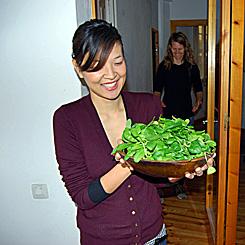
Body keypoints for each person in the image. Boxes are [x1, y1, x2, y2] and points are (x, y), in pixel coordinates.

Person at [53, 19, 212, 245]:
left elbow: (155, 180)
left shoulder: (147, 106)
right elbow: (83, 197)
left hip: (155, 236)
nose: (111, 75)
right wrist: (130, 161)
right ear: (77, 68)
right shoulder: (67, 119)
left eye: (117, 62)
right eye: (97, 65)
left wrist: (175, 172)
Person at [154, 32, 203, 200]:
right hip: (168, 115)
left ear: (185, 48)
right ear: (170, 48)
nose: (177, 52)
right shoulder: (164, 67)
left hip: (186, 116)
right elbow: (157, 90)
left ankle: (180, 187)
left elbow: (198, 88)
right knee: (167, 153)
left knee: (183, 154)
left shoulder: (191, 67)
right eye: (174, 49)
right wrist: (157, 102)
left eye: (180, 49)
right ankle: (162, 188)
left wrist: (198, 100)